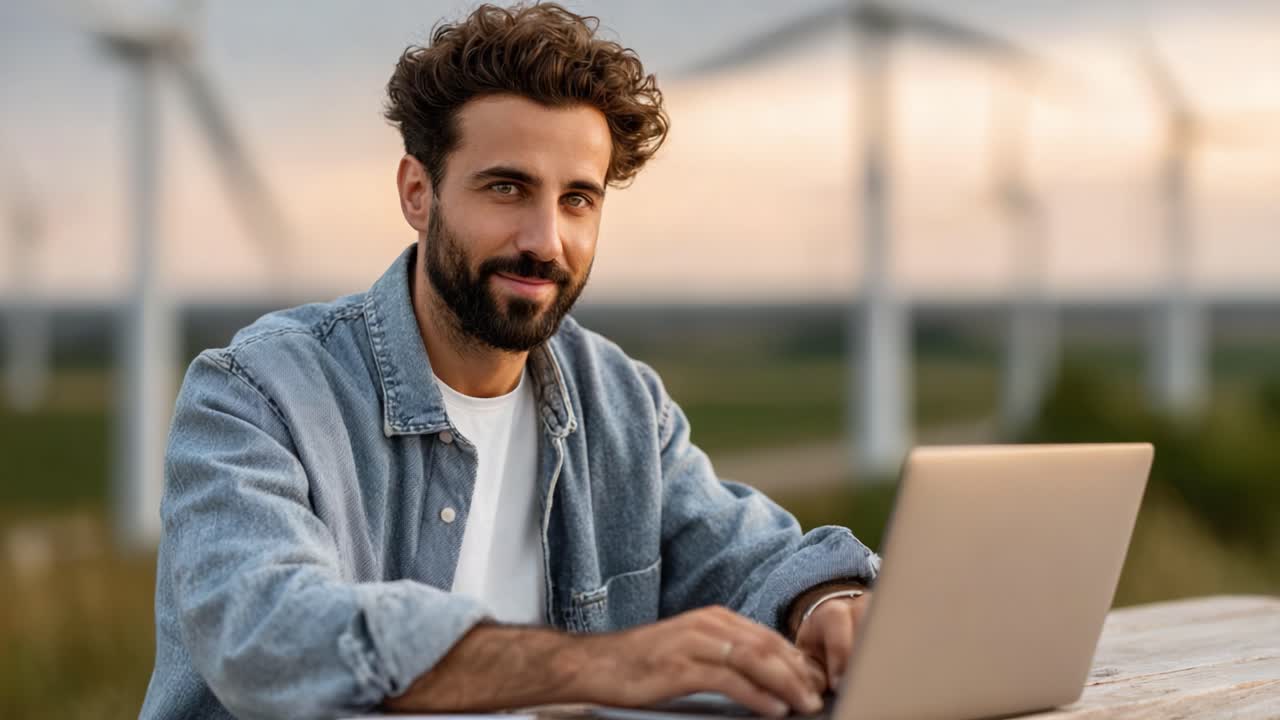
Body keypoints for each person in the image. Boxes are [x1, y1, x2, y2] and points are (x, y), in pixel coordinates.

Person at [140, 4, 880, 719]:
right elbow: (269, 637)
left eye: (578, 200)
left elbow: (747, 560)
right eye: (507, 187)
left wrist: (829, 603)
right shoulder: (256, 396)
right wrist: (603, 666)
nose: (545, 240)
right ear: (417, 193)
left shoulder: (620, 403)